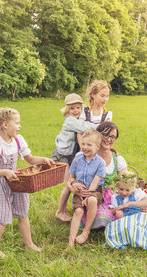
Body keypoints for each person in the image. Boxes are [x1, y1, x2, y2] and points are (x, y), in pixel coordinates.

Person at [0, 107, 54, 258]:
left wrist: (43, 159)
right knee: (3, 217)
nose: (19, 126)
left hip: (17, 181)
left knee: (23, 213)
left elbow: (30, 159)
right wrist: (5, 172)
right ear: (5, 125)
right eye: (17, 123)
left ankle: (29, 243)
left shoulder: (17, 140)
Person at [52, 93, 99, 221]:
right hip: (63, 154)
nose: (76, 110)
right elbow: (84, 128)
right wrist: (100, 125)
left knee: (70, 183)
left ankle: (63, 210)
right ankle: (60, 211)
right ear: (67, 109)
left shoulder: (77, 119)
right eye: (72, 108)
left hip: (70, 153)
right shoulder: (70, 120)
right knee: (69, 183)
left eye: (78, 107)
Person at [79, 121, 128, 229]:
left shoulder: (117, 158)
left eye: (112, 137)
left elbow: (126, 180)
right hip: (91, 195)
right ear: (98, 135)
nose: (108, 139)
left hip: (109, 195)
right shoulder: (88, 154)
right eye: (105, 135)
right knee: (102, 218)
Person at [104, 173, 147, 251]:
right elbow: (112, 210)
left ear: (133, 188)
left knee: (133, 226)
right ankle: (142, 241)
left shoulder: (137, 193)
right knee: (112, 227)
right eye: (121, 189)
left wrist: (129, 204)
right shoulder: (115, 196)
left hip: (139, 216)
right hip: (125, 219)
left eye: (127, 190)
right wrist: (117, 211)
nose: (124, 192)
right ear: (117, 187)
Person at [67, 130, 106, 247]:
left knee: (92, 200)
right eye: (83, 144)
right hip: (80, 190)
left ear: (97, 147)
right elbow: (71, 178)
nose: (85, 147)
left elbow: (95, 183)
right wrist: (74, 185)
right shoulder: (77, 159)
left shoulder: (100, 163)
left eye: (89, 145)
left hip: (94, 190)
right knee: (78, 211)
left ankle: (86, 231)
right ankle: (70, 241)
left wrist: (88, 196)